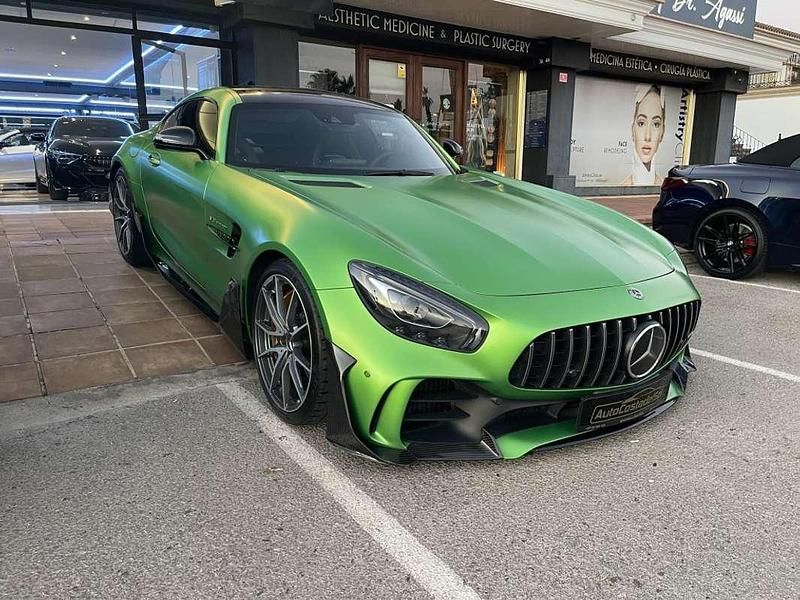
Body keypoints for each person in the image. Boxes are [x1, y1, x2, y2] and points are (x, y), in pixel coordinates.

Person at [622, 84, 665, 186]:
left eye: (656, 124)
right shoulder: (619, 189)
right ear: (633, 130)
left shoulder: (668, 189)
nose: (647, 136)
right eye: (641, 123)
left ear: (662, 132)